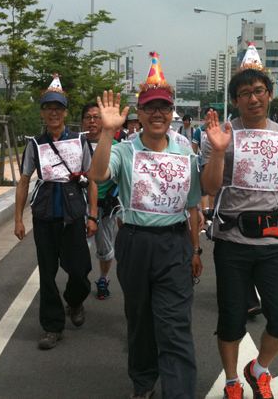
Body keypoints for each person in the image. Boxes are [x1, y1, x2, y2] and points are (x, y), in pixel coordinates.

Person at [201, 43, 278, 399]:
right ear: (235, 100)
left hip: (272, 244)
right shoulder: (222, 136)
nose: (253, 98)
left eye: (259, 91)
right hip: (231, 243)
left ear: (269, 95)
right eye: (244, 93)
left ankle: (258, 370)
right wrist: (219, 150)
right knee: (231, 319)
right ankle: (231, 381)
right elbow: (208, 187)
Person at [88, 52, 202, 399]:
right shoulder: (124, 150)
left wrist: (195, 249)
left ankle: (178, 393)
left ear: (172, 114)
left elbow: (194, 206)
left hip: (174, 245)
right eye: (150, 107)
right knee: (139, 321)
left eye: (164, 108)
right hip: (135, 243)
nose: (157, 114)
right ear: (139, 113)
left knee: (175, 326)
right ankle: (143, 382)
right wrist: (107, 132)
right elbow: (96, 174)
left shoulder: (186, 155)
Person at [14, 74, 97, 350]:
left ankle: (75, 300)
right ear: (42, 112)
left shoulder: (79, 142)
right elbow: (24, 180)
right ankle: (52, 326)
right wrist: (18, 219)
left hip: (74, 212)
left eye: (58, 107)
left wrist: (93, 215)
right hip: (45, 213)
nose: (53, 112)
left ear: (65, 112)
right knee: (47, 272)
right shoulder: (34, 145)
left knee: (81, 269)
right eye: (48, 107)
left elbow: (93, 178)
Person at [82, 102, 119, 300]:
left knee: (104, 247)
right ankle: (78, 287)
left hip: (106, 207)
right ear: (82, 121)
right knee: (79, 248)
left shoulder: (115, 146)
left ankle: (103, 278)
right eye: (88, 117)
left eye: (97, 117)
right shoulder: (76, 143)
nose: (93, 120)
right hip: (80, 206)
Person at [193, 107, 215, 219]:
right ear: (205, 117)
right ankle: (204, 212)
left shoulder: (219, 130)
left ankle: (212, 211)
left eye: (213, 114)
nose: (210, 117)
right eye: (208, 115)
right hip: (202, 164)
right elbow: (194, 148)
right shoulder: (199, 131)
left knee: (214, 190)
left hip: (215, 164)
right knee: (203, 190)